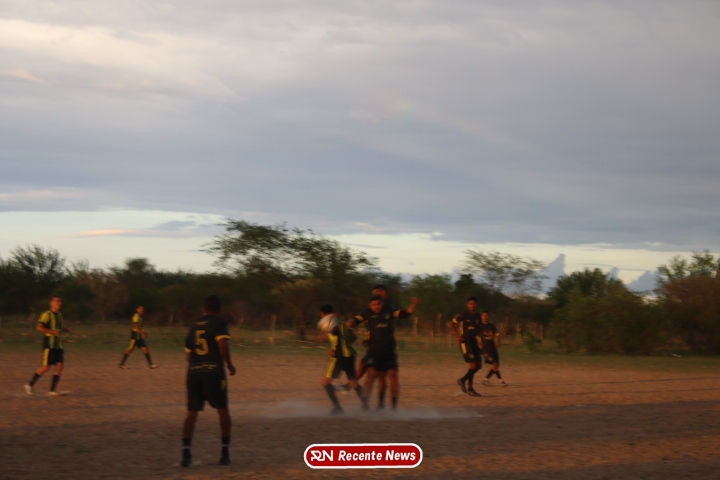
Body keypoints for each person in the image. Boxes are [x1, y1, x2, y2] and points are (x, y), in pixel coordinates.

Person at [181, 295, 237, 467]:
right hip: (213, 373)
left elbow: (188, 356)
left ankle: (186, 454)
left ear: (203, 309)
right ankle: (225, 453)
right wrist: (229, 365)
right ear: (219, 309)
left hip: (194, 373)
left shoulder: (193, 326)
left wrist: (198, 363)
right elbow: (222, 345)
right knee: (222, 411)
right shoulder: (219, 323)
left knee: (191, 414)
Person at [347, 295, 419, 411]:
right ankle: (365, 406)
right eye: (374, 305)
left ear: (382, 304)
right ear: (370, 305)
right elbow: (355, 320)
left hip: (389, 352)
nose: (376, 306)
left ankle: (394, 409)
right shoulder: (366, 313)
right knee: (371, 376)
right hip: (374, 352)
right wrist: (350, 323)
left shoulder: (389, 312)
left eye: (378, 304)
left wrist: (414, 304)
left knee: (393, 377)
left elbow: (407, 312)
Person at [318, 304, 367, 414]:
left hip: (339, 357)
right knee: (353, 382)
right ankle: (366, 406)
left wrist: (335, 346)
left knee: (325, 383)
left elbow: (334, 331)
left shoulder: (330, 323)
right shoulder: (341, 322)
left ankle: (338, 408)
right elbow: (353, 337)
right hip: (350, 355)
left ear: (322, 314)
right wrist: (340, 345)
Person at [24, 295, 71, 396]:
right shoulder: (46, 314)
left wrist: (64, 329)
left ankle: (52, 391)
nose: (59, 303)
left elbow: (57, 328)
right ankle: (29, 385)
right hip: (49, 345)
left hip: (58, 345)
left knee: (60, 366)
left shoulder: (59, 315)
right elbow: (39, 327)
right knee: (46, 367)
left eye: (60, 301)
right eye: (57, 301)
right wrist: (53, 332)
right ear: (51, 303)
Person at [449, 297, 483, 397]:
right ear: (468, 305)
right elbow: (452, 324)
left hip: (474, 342)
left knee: (479, 365)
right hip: (465, 342)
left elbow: (479, 330)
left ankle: (465, 383)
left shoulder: (478, 316)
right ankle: (467, 385)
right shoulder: (464, 315)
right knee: (473, 366)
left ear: (476, 305)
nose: (472, 305)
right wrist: (457, 336)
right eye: (470, 303)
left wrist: (480, 342)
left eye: (474, 303)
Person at [479, 311, 507, 387]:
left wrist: (498, 342)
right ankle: (501, 381)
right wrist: (479, 344)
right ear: (481, 317)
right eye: (483, 315)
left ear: (488, 316)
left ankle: (486, 379)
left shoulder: (492, 326)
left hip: (492, 346)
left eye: (486, 315)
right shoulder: (480, 326)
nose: (485, 317)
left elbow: (497, 334)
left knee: (496, 364)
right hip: (486, 348)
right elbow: (479, 334)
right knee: (494, 364)